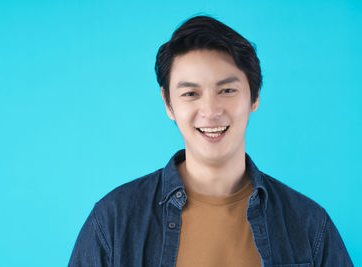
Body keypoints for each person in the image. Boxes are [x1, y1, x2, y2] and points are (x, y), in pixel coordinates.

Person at [68, 15, 353, 267]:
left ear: (254, 97)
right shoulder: (114, 221)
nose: (211, 111)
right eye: (191, 94)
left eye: (227, 90)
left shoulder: (309, 225)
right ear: (168, 104)